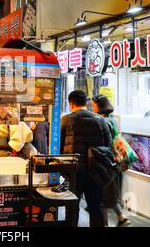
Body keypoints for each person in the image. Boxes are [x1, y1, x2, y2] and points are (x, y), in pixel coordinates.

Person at [60, 90, 112, 227]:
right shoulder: (101, 120)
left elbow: (59, 147)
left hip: (74, 170)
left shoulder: (66, 120)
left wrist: (63, 171)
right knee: (96, 207)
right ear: (86, 103)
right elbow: (108, 146)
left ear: (71, 103)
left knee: (72, 205)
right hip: (96, 170)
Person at [92, 94, 131, 227]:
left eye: (93, 105)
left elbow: (103, 142)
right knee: (110, 192)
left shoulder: (103, 121)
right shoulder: (112, 119)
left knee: (104, 193)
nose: (92, 108)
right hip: (116, 159)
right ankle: (121, 218)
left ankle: (109, 223)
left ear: (99, 106)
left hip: (108, 160)